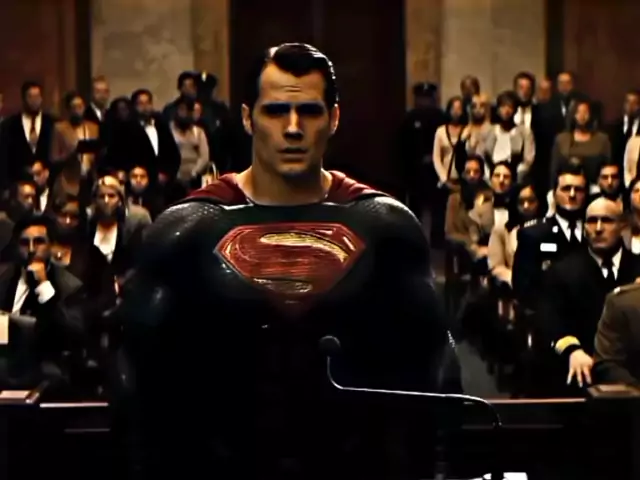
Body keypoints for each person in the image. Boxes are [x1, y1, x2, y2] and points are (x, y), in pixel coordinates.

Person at [112, 43, 460, 479]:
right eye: (276, 111)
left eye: (309, 112)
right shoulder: (186, 231)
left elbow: (436, 365)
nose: (293, 129)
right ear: (247, 118)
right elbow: (134, 376)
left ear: (334, 118)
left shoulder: (384, 226)